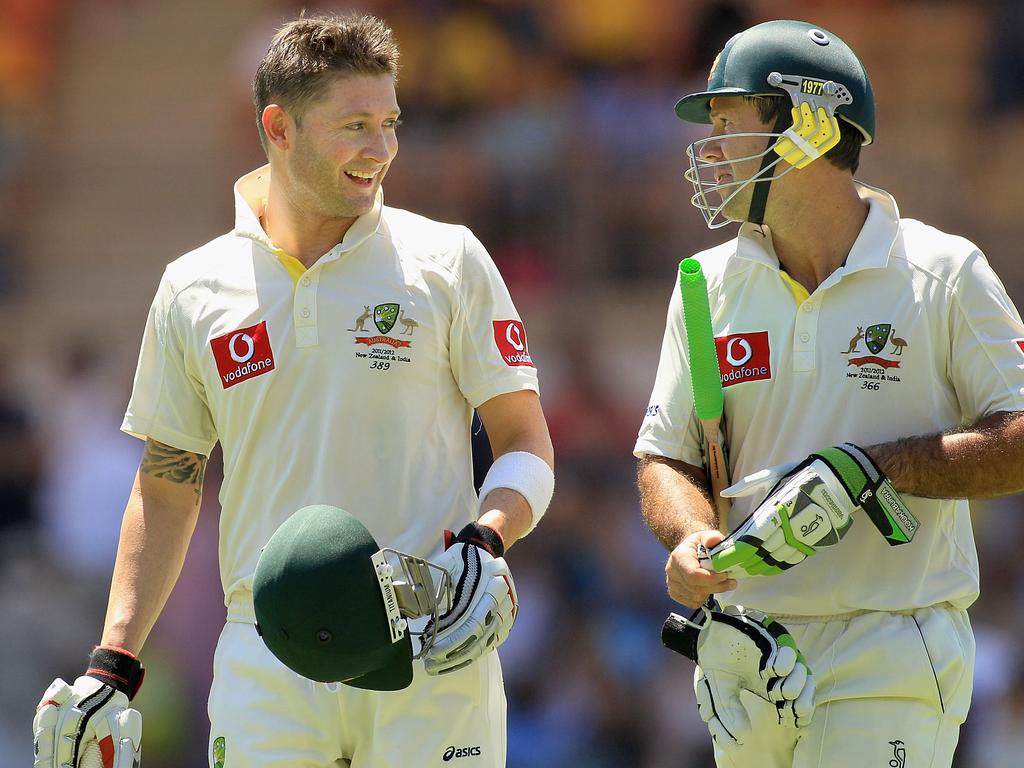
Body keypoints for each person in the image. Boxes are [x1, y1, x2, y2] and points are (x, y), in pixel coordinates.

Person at [33, 12, 553, 768]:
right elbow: (168, 485)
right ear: (279, 128)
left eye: (390, 122)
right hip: (267, 657)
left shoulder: (451, 259)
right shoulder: (191, 288)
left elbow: (525, 440)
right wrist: (113, 662)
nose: (381, 150)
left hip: (430, 642)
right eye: (355, 126)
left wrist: (487, 539)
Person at [635, 19, 1024, 768]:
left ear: (808, 125)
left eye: (729, 123)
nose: (710, 148)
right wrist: (686, 538)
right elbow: (666, 457)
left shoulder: (944, 272)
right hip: (749, 652)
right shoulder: (705, 284)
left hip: (889, 641)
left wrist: (872, 470)